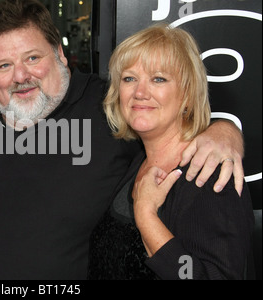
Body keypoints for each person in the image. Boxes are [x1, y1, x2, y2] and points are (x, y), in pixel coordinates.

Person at [0, 0, 245, 280]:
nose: (20, 76)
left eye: (33, 58)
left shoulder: (108, 104)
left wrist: (224, 133)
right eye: (4, 65)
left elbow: (161, 109)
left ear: (59, 53)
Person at [88, 24, 254, 280]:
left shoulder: (210, 175)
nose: (139, 93)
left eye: (158, 79)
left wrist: (146, 216)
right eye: (129, 78)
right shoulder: (138, 159)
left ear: (187, 94)